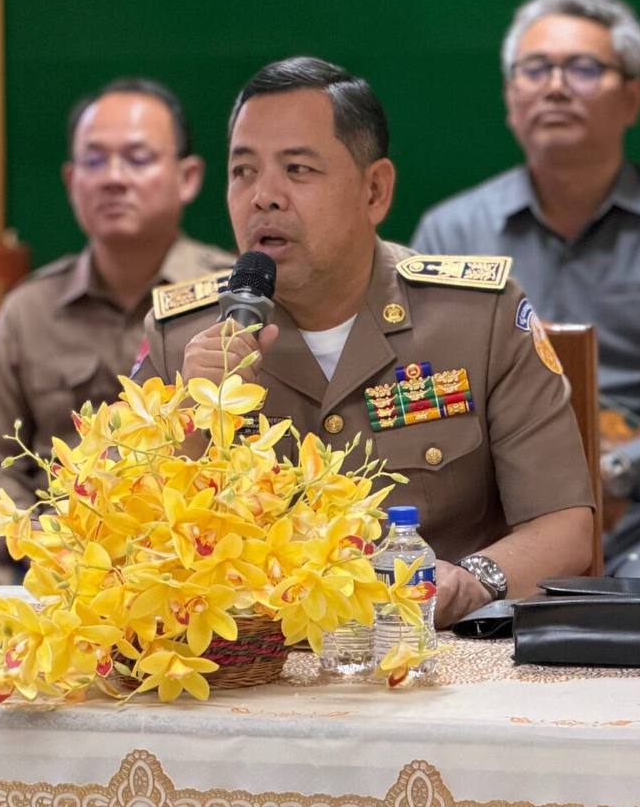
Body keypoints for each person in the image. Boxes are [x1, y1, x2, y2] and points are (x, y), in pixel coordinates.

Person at [135, 56, 593, 628]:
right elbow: (129, 538)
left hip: (439, 652)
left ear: (374, 190)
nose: (263, 196)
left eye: (298, 169)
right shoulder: (182, 337)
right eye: (243, 171)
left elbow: (565, 526)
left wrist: (474, 581)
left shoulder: (476, 318)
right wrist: (191, 420)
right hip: (259, 661)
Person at [412, 0, 640, 579]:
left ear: (632, 99)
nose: (555, 87)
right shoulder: (451, 230)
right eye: (534, 69)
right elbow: (417, 392)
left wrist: (619, 469)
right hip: (492, 525)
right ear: (510, 98)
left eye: (582, 68)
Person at [0, 78, 234, 585]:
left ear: (187, 177)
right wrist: (39, 540)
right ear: (71, 178)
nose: (113, 179)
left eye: (138, 159)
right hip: (46, 553)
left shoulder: (230, 302)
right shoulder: (29, 310)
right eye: (95, 161)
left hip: (192, 556)